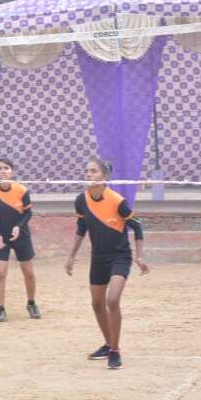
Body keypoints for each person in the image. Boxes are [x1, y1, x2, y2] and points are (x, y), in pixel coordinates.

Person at [64, 158, 148, 371]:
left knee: (112, 300)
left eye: (93, 171)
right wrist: (71, 256)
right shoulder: (81, 200)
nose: (88, 175)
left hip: (120, 256)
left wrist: (139, 256)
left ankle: (115, 351)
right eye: (87, 171)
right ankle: (108, 343)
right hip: (98, 258)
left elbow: (136, 228)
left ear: (105, 176)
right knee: (96, 303)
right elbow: (81, 228)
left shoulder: (117, 201)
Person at [0, 158, 40, 322]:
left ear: (12, 172)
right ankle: (0, 309)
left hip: (21, 236)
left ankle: (31, 303)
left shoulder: (22, 190)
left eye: (6, 168)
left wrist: (18, 226)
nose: (2, 171)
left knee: (29, 273)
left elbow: (28, 213)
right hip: (1, 237)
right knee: (0, 274)